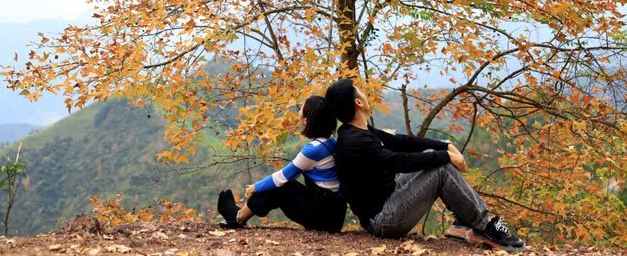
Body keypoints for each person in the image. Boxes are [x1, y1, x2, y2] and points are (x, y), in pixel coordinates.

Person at [324, 79, 525, 252]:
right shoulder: (354, 141)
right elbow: (398, 161)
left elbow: (404, 142)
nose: (364, 92)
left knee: (431, 155)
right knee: (440, 168)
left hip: (388, 200)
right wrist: (446, 156)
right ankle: (486, 226)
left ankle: (465, 221)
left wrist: (445, 145)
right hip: (383, 220)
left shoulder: (362, 131)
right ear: (358, 102)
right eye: (359, 90)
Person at [217, 95, 347, 232]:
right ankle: (240, 214)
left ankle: (238, 217)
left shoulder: (313, 150)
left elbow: (282, 177)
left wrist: (254, 188)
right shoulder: (331, 141)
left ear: (306, 121)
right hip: (334, 215)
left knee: (281, 185)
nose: (299, 111)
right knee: (283, 184)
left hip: (322, 219)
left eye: (302, 109)